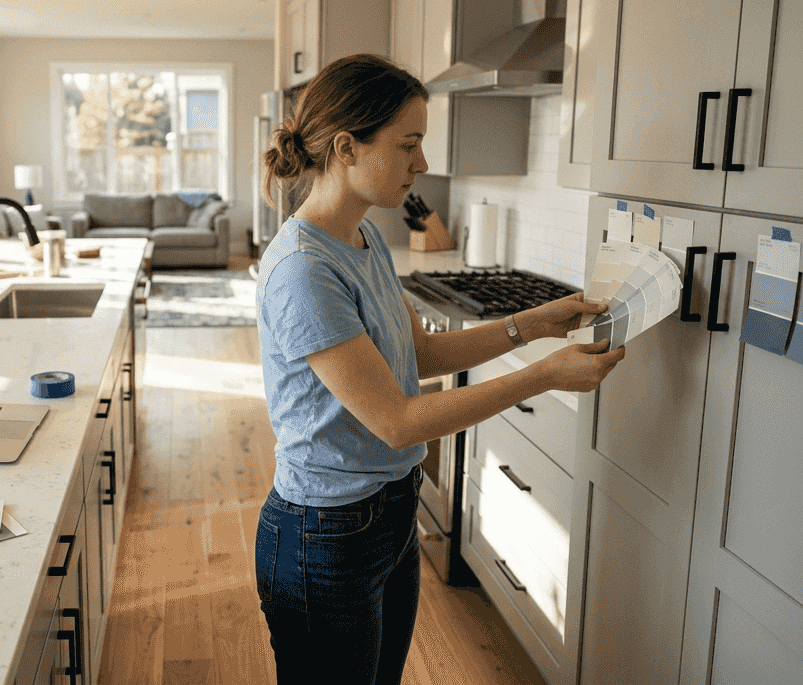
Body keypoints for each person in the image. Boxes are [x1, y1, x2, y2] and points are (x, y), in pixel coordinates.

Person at [254, 53, 625, 684]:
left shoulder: (361, 239)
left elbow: (419, 356)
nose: (421, 164)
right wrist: (541, 374)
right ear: (347, 147)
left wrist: (531, 323)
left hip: (387, 514)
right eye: (408, 145)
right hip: (328, 535)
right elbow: (397, 421)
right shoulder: (304, 270)